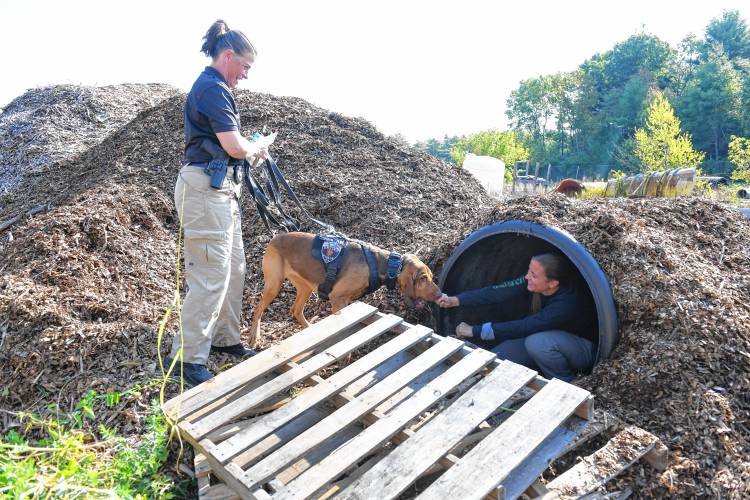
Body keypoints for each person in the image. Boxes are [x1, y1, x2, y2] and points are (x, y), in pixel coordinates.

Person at [166, 20, 269, 387]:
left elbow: (231, 148)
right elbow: (233, 146)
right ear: (228, 56)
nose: (245, 75)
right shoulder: (212, 88)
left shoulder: (216, 89)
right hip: (205, 192)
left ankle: (225, 340)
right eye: (245, 66)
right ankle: (186, 358)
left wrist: (247, 150)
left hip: (221, 190)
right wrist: (255, 147)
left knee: (233, 268)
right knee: (209, 275)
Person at [437, 254, 596, 382]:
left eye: (533, 275)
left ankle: (566, 386)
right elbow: (497, 292)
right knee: (498, 358)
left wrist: (475, 331)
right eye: (528, 270)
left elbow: (525, 327)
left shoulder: (566, 303)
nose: (527, 277)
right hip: (545, 339)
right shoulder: (533, 282)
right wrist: (457, 300)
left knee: (537, 343)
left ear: (552, 283)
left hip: (582, 349)